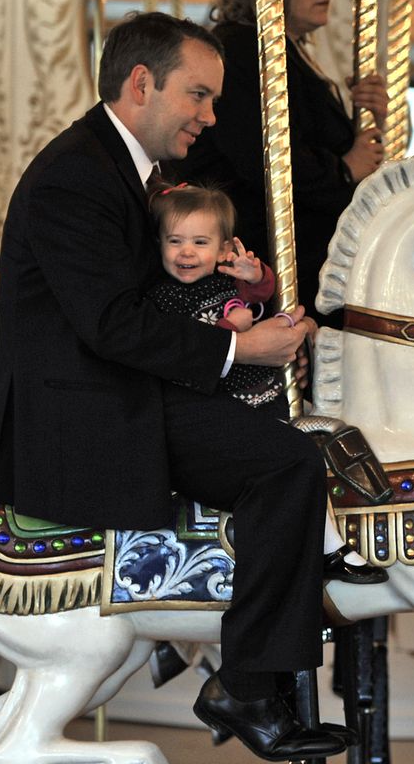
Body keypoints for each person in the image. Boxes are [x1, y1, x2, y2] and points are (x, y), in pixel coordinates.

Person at [0, 12, 347, 761]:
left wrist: (248, 289)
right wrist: (241, 347)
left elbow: (157, 297)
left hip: (120, 386)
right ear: (142, 84)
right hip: (85, 408)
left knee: (295, 446)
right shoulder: (76, 176)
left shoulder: (127, 173)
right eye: (200, 96)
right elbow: (110, 323)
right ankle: (246, 684)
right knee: (288, 464)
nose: (211, 118)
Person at [147, 181, 388, 583]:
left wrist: (255, 275)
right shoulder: (166, 298)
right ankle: (326, 547)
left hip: (263, 392)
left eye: (200, 242)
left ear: (224, 249)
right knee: (293, 456)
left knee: (319, 436)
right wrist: (230, 330)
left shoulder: (225, 279)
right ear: (160, 245)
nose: (186, 252)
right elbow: (187, 350)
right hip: (223, 399)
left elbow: (262, 291)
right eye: (175, 242)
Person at [171, 0, 389, 328]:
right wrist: (344, 168)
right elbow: (263, 157)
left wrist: (369, 123)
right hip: (265, 253)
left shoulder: (290, 50)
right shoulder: (246, 49)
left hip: (305, 251)